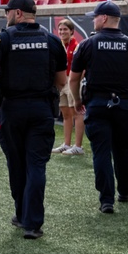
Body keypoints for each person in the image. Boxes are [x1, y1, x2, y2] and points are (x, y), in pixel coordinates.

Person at [0, 0, 66, 239]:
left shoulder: (3, 38)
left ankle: (21, 214)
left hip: (12, 109)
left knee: (16, 164)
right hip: (41, 110)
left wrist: (3, 84)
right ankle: (33, 223)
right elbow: (61, 82)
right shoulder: (52, 40)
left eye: (9, 11)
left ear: (18, 13)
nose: (6, 15)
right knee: (36, 165)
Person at [69, 1, 128, 214]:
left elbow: (74, 79)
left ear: (103, 18)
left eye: (95, 16)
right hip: (123, 105)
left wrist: (77, 101)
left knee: (101, 152)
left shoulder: (87, 44)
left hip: (97, 105)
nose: (93, 20)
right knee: (123, 150)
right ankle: (125, 190)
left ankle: (106, 200)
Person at [53, 20, 84, 156]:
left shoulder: (76, 46)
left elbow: (83, 66)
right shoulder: (59, 46)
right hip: (61, 82)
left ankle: (78, 146)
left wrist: (77, 81)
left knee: (76, 113)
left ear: (72, 31)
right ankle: (66, 144)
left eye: (65, 29)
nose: (62, 32)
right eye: (60, 30)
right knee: (65, 114)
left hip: (72, 82)